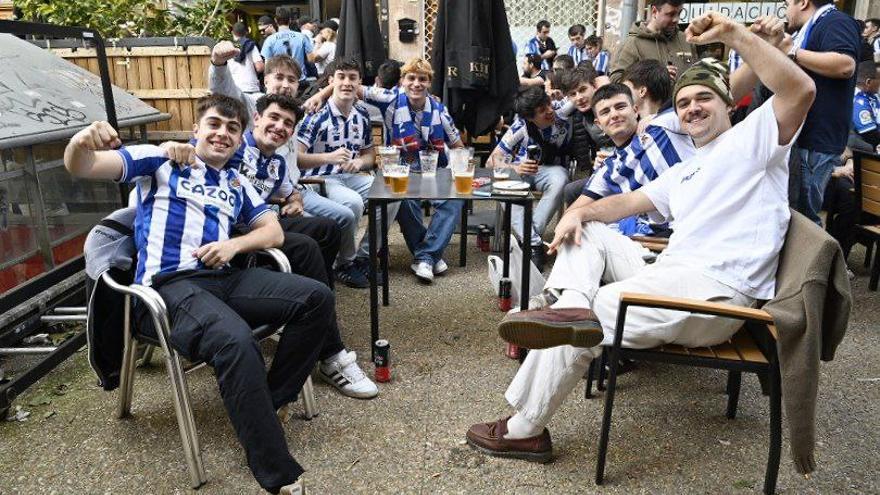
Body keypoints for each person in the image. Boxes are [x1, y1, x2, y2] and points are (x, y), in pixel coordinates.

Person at [466, 12, 814, 464]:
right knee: (589, 229)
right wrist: (579, 214)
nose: (691, 108)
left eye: (704, 98)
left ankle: (524, 429)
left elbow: (800, 90)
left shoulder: (754, 140)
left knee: (594, 315)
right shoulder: (690, 167)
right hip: (671, 274)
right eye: (685, 101)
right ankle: (568, 303)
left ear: (730, 104)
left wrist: (735, 34)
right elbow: (626, 203)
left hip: (717, 296)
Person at [64, 94, 347, 494]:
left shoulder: (236, 181)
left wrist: (233, 246)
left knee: (316, 298)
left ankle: (264, 404)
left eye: (233, 129)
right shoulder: (161, 160)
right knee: (236, 342)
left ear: (239, 138)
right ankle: (276, 471)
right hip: (169, 287)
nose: (223, 133)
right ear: (196, 129)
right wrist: (81, 141)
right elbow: (83, 166)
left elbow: (274, 232)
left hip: (225, 278)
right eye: (214, 124)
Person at [161, 93, 378, 399]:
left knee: (327, 229)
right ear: (257, 119)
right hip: (227, 230)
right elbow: (194, 150)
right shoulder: (235, 146)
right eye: (273, 118)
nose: (279, 127)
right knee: (304, 248)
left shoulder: (276, 161)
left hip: (262, 221)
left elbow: (290, 192)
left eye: (288, 123)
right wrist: (173, 148)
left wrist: (295, 200)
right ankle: (331, 353)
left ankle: (316, 320)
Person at [209, 42, 361, 289]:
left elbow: (291, 168)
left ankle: (320, 281)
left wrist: (295, 199)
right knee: (315, 236)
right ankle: (309, 285)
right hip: (251, 209)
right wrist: (218, 62)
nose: (285, 84)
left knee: (332, 225)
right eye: (279, 77)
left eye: (291, 80)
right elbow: (223, 90)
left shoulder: (292, 117)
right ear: (265, 79)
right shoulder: (252, 107)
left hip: (288, 192)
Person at [305, 58, 466, 283]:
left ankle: (426, 255)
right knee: (400, 198)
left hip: (434, 168)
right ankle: (428, 254)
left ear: (429, 83)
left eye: (422, 79)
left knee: (455, 199)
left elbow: (458, 145)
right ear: (402, 81)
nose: (416, 84)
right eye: (411, 78)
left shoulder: (439, 110)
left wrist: (457, 167)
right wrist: (319, 95)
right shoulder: (390, 99)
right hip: (402, 169)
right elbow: (349, 83)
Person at [763, 0, 859, 225]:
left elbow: (845, 65)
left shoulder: (835, 21)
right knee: (793, 213)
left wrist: (792, 50)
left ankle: (812, 260)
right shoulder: (816, 26)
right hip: (803, 138)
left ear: (803, 2)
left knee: (803, 220)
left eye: (787, 3)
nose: (786, 11)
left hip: (815, 141)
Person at [296, 58, 378, 288]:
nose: (347, 83)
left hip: (351, 176)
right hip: (321, 178)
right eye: (341, 77)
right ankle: (345, 263)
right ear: (331, 82)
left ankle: (365, 255)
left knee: (392, 194)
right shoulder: (316, 114)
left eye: (353, 78)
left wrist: (360, 162)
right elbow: (297, 159)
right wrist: (328, 158)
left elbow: (370, 157)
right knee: (351, 203)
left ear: (360, 82)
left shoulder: (362, 115)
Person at [488, 86, 572, 271]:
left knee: (561, 178)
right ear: (529, 117)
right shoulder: (520, 127)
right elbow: (491, 160)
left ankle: (527, 239)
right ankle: (534, 244)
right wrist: (515, 167)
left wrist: (563, 93)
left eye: (547, 104)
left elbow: (584, 93)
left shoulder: (560, 110)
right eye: (542, 111)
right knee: (502, 183)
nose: (549, 111)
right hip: (522, 170)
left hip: (550, 170)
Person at [608, 0, 697, 83]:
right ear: (654, 11)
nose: (676, 19)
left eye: (679, 13)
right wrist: (652, 77)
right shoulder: (632, 43)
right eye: (670, 14)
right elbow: (616, 80)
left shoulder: (686, 39)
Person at [261, 7, 313, 83]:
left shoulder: (269, 40)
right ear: (290, 20)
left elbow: (267, 66)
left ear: (275, 20)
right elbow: (311, 59)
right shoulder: (302, 37)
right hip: (299, 79)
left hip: (280, 81)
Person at [229, 22, 264, 104]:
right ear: (246, 32)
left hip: (234, 90)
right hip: (251, 89)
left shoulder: (228, 47)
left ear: (232, 32)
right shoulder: (251, 45)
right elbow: (259, 67)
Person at [851, 60, 880, 150]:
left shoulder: (872, 95)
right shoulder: (858, 101)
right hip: (868, 147)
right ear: (868, 82)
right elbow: (870, 134)